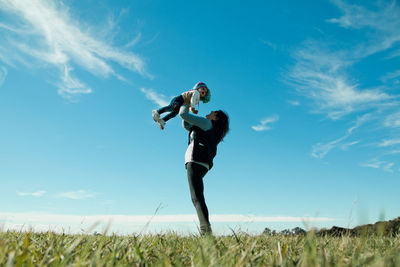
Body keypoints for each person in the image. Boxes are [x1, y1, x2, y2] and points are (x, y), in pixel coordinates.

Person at [179, 104, 229, 235]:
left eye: (214, 111)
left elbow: (183, 115)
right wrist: (190, 107)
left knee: (197, 198)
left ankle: (206, 232)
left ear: (216, 118)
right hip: (203, 164)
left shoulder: (207, 123)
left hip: (195, 160)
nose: (211, 111)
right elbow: (186, 124)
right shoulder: (208, 127)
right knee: (198, 197)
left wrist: (184, 103)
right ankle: (206, 230)